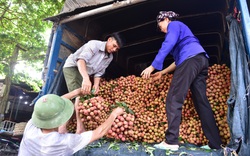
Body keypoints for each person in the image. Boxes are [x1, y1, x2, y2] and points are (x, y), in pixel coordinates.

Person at [141, 11, 222, 151]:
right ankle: (215, 144)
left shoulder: (174, 25)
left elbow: (168, 44)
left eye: (160, 25)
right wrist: (163, 72)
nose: (160, 29)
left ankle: (171, 141)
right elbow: (179, 61)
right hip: (200, 60)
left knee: (173, 99)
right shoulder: (182, 35)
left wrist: (153, 66)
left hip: (191, 60)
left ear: (166, 19)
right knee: (201, 102)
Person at [18, 88, 124, 156]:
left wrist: (75, 93)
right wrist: (114, 114)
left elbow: (53, 105)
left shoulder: (31, 126)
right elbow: (99, 133)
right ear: (60, 120)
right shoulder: (62, 142)